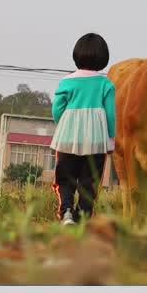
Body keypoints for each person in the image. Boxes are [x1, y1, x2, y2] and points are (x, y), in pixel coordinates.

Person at [49, 33, 115, 224]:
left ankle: (67, 211)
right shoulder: (106, 84)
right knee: (90, 180)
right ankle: (84, 215)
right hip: (96, 141)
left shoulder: (67, 82)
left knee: (65, 177)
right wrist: (110, 139)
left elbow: (57, 109)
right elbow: (110, 115)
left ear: (76, 56)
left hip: (68, 138)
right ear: (103, 58)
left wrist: (64, 125)